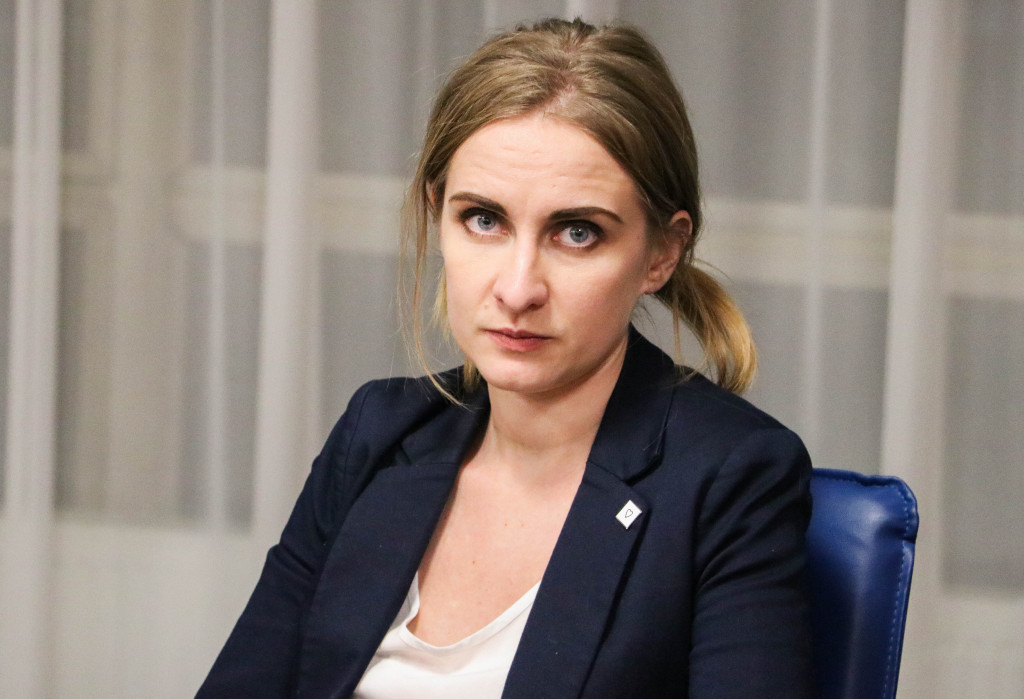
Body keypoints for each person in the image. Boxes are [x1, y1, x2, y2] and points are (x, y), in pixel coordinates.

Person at [198, 17, 813, 698]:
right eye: (484, 220)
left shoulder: (731, 477)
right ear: (439, 215)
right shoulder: (379, 432)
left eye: (577, 232)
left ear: (661, 253)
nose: (518, 290)